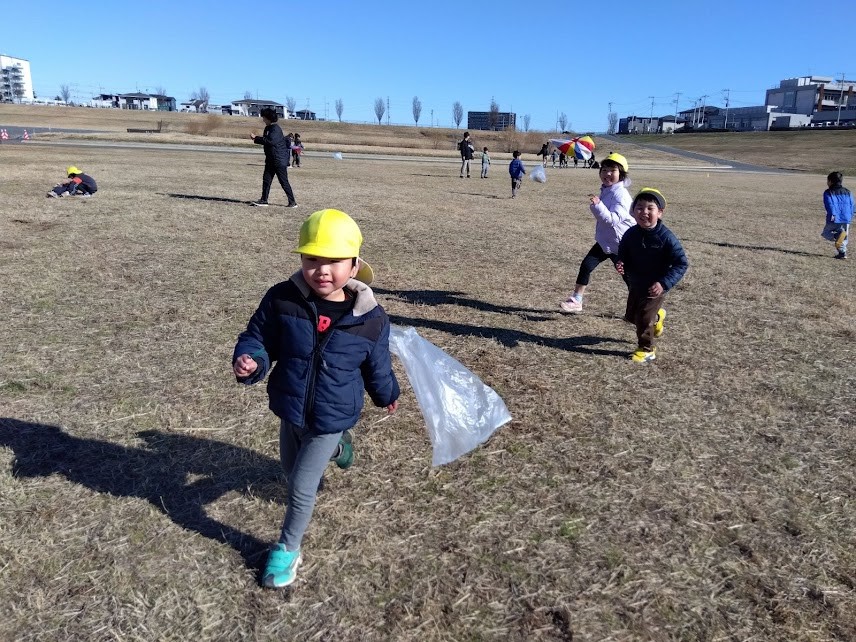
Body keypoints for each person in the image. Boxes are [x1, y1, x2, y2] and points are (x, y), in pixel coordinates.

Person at [232, 208, 400, 588]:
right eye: (312, 260)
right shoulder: (282, 299)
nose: (322, 270)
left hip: (334, 414)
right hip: (290, 405)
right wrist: (252, 360)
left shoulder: (371, 318)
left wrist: (387, 393)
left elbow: (377, 365)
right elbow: (258, 337)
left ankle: (287, 549)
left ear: (355, 266)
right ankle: (341, 451)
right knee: (290, 473)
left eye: (334, 262)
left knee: (300, 487)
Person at [616, 188, 689, 363]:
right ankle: (657, 317)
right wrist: (621, 262)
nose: (644, 212)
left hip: (655, 286)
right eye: (639, 208)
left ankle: (647, 349)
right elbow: (623, 252)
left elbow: (681, 263)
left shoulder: (666, 237)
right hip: (635, 282)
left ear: (660, 212)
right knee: (632, 317)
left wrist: (664, 283)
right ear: (633, 211)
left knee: (643, 319)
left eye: (650, 208)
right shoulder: (630, 234)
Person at [559, 152, 634, 314]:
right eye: (604, 169)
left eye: (612, 170)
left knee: (629, 278)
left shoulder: (622, 195)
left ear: (621, 174)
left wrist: (597, 206)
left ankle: (641, 306)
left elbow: (612, 220)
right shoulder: (607, 190)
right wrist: (598, 204)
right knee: (586, 265)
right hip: (605, 241)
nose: (607, 174)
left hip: (621, 245)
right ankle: (577, 300)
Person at [250, 107, 297, 208]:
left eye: (264, 117)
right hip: (271, 159)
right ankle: (264, 200)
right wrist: (258, 139)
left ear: (269, 118)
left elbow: (271, 141)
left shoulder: (275, 129)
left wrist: (256, 138)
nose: (263, 119)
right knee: (266, 180)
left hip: (278, 160)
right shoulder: (268, 128)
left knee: (283, 181)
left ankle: (292, 202)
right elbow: (267, 140)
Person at [821, 171, 853, 260]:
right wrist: (851, 215)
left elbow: (829, 204)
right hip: (847, 218)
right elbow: (852, 205)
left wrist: (832, 215)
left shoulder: (828, 192)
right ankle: (842, 253)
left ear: (830, 181)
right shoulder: (848, 192)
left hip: (834, 217)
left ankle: (837, 236)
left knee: (826, 233)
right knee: (844, 237)